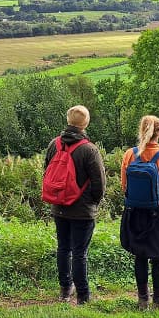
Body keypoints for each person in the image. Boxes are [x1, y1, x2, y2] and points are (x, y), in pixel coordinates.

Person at [120, 115, 159, 310]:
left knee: (139, 255)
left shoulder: (129, 155)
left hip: (135, 212)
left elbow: (125, 187)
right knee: (158, 256)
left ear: (141, 131)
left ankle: (142, 300)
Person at [43, 105, 106, 305]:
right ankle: (83, 296)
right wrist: (92, 203)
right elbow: (99, 183)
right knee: (80, 253)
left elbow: (47, 171)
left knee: (63, 248)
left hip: (59, 206)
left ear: (68, 121)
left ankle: (64, 290)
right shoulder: (89, 149)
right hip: (82, 210)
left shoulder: (54, 144)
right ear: (85, 124)